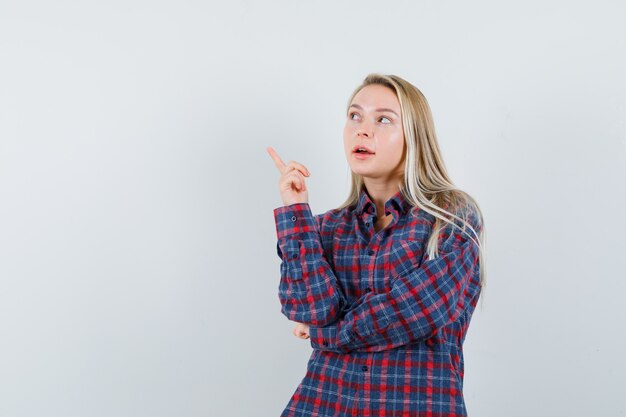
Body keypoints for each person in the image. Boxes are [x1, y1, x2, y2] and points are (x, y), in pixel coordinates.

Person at [267, 73, 485, 417]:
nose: (362, 129)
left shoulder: (451, 217)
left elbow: (413, 311)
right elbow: (311, 310)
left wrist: (327, 334)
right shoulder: (328, 227)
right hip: (324, 404)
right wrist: (296, 212)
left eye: (383, 119)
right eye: (355, 116)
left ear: (414, 137)